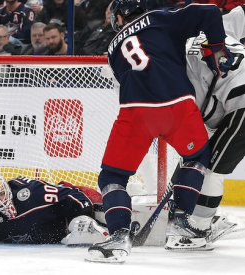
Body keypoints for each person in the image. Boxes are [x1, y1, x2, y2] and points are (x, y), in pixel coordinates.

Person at [85, 1, 234, 263]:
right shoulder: (160, 18)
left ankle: (119, 235)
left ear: (121, 16)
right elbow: (210, 12)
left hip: (135, 112)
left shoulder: (112, 48)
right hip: (177, 105)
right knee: (197, 156)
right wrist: (217, 49)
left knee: (112, 176)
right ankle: (179, 224)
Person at [186, 5, 245, 247]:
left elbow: (200, 105)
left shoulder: (182, 46)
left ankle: (196, 232)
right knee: (209, 163)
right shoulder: (222, 35)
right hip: (238, 101)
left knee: (210, 169)